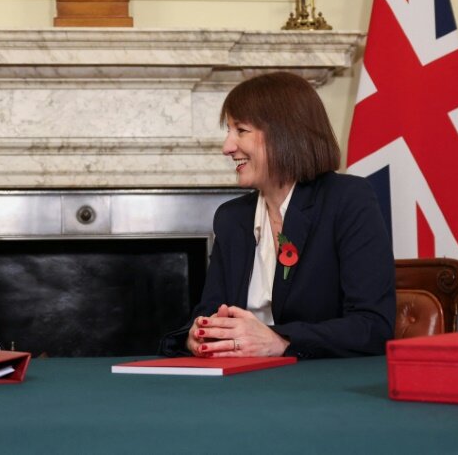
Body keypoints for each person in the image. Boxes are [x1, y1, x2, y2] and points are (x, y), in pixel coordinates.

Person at [160, 71, 395, 359]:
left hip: (319, 386)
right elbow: (208, 311)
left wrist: (280, 341)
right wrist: (198, 335)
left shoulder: (347, 199)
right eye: (228, 131)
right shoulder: (231, 217)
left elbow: (372, 327)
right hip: (238, 384)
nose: (227, 147)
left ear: (285, 133)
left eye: (241, 131)